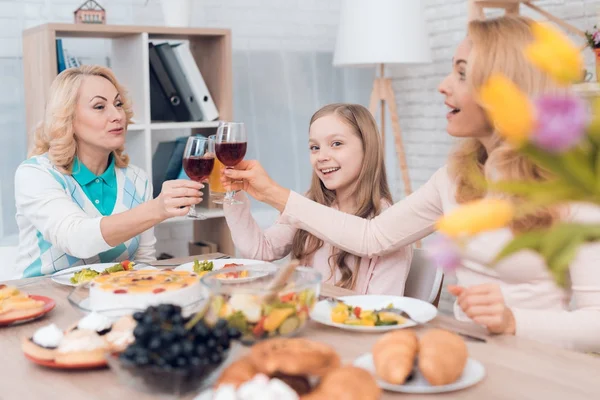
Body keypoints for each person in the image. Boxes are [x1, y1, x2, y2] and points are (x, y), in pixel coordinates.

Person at [222, 16, 600, 352]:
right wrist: (270, 193)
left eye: (462, 73)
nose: (442, 85)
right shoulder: (453, 178)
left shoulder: (572, 184)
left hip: (542, 366)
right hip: (469, 354)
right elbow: (372, 238)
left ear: (506, 87)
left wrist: (516, 321)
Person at [13, 65, 203, 279]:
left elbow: (143, 262)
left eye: (118, 104)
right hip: (42, 302)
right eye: (99, 106)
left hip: (110, 300)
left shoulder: (137, 178)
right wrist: (157, 209)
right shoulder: (36, 174)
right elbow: (76, 239)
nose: (117, 115)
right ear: (68, 118)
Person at [224, 104, 412, 294]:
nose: (321, 157)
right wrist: (234, 191)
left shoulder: (389, 226)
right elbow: (260, 250)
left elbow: (379, 311)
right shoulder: (311, 204)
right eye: (314, 147)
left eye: (336, 144)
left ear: (367, 147)